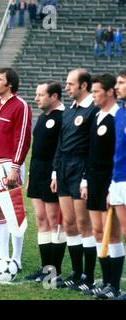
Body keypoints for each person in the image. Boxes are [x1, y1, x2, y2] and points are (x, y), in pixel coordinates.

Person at [50, 69, 98, 289]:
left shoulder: (93, 111)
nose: (67, 87)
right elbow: (60, 144)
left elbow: (93, 149)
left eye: (70, 84)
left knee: (83, 224)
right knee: (69, 224)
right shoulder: (70, 111)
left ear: (84, 86)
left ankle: (88, 276)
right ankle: (76, 273)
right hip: (63, 171)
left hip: (80, 170)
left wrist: (86, 178)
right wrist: (54, 172)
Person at [0, 67, 32, 272]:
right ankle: (3, 258)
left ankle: (17, 259)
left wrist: (15, 167)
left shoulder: (20, 106)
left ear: (9, 83)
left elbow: (22, 139)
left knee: (13, 212)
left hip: (8, 166)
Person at [79, 74, 120, 296]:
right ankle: (104, 282)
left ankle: (114, 285)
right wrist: (85, 179)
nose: (93, 95)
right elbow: (90, 151)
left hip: (110, 181)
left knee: (111, 234)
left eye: (96, 92)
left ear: (109, 92)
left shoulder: (119, 117)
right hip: (93, 180)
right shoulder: (96, 116)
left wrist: (113, 185)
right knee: (96, 231)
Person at [24, 81, 65, 282]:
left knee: (53, 221)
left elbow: (61, 150)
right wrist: (31, 172)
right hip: (37, 172)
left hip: (52, 174)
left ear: (54, 96)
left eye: (40, 95)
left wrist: (55, 174)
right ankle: (45, 268)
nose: (36, 98)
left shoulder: (63, 117)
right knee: (41, 219)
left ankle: (54, 271)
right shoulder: (42, 117)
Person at [95, 70, 126, 300]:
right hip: (117, 181)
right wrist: (112, 186)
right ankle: (114, 287)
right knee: (119, 233)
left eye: (122, 83)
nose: (118, 87)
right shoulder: (121, 115)